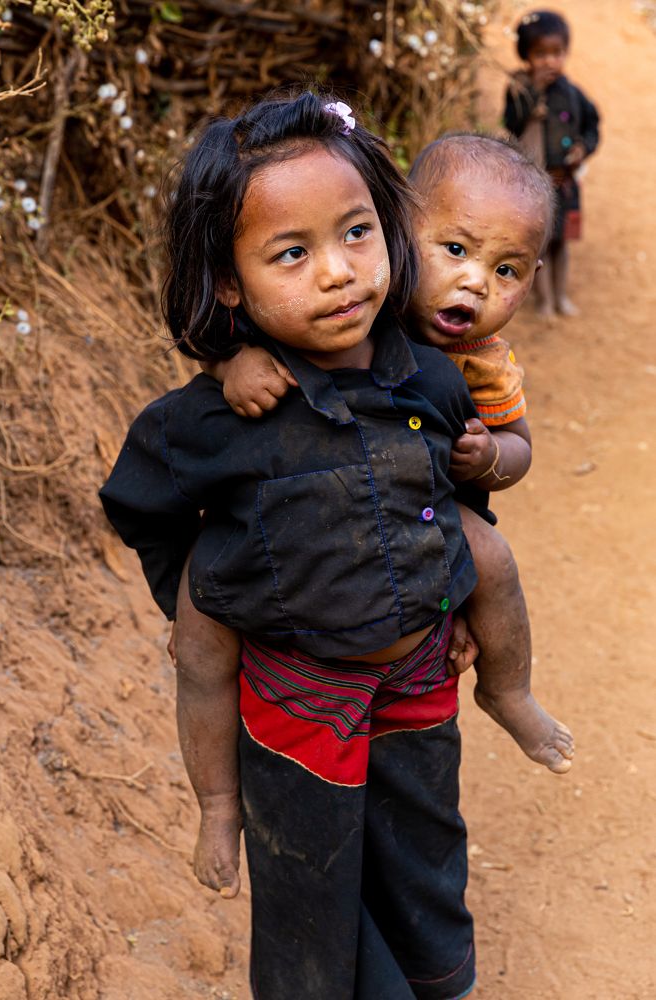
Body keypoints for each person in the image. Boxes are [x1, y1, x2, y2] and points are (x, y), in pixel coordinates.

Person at [101, 91, 484, 999]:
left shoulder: (426, 376)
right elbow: (141, 503)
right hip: (297, 707)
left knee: (423, 855)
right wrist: (209, 597)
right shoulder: (219, 417)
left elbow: (456, 489)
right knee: (310, 884)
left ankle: (440, 984)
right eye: (291, 253)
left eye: (356, 233)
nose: (338, 273)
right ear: (229, 282)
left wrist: (454, 592)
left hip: (418, 687)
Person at [208, 132, 574, 790]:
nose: (474, 282)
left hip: (426, 506)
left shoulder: (485, 360)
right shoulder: (351, 303)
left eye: (507, 270)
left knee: (491, 556)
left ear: (533, 275)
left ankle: (508, 688)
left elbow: (520, 447)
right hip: (329, 507)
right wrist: (233, 361)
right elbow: (253, 320)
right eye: (456, 250)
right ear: (397, 225)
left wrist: (491, 457)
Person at [504, 9, 600, 316]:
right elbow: (513, 123)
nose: (549, 61)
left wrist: (584, 148)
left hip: (566, 184)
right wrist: (534, 91)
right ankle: (544, 301)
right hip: (535, 184)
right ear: (526, 55)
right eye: (540, 54)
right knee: (540, 245)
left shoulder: (572, 93)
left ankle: (561, 297)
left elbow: (592, 124)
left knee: (562, 243)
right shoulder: (519, 88)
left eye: (557, 53)